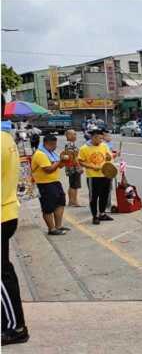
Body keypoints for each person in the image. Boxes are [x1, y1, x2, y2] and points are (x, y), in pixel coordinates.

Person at [2, 131, 30, 346]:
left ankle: (15, 328)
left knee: (2, 275)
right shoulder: (6, 138)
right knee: (4, 271)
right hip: (8, 210)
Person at [31, 135, 70, 235]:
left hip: (55, 182)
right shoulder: (40, 154)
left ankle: (58, 226)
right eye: (54, 144)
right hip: (44, 184)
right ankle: (51, 229)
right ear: (47, 144)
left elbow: (59, 166)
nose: (55, 146)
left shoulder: (51, 153)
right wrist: (60, 161)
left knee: (60, 203)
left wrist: (64, 161)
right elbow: (48, 169)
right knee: (48, 207)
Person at [78, 129, 113, 225]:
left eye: (102, 138)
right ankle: (95, 216)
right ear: (93, 137)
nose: (101, 140)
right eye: (99, 138)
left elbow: (109, 156)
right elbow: (80, 161)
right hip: (93, 176)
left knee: (104, 195)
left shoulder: (104, 146)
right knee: (94, 197)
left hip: (105, 174)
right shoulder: (84, 148)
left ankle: (102, 213)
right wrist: (92, 166)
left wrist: (109, 157)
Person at [63, 129, 83, 207]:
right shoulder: (70, 145)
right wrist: (79, 167)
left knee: (72, 184)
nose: (75, 136)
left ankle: (71, 201)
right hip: (73, 168)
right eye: (73, 134)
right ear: (68, 136)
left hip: (71, 167)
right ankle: (74, 201)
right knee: (74, 185)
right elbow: (72, 158)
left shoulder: (70, 144)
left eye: (75, 134)